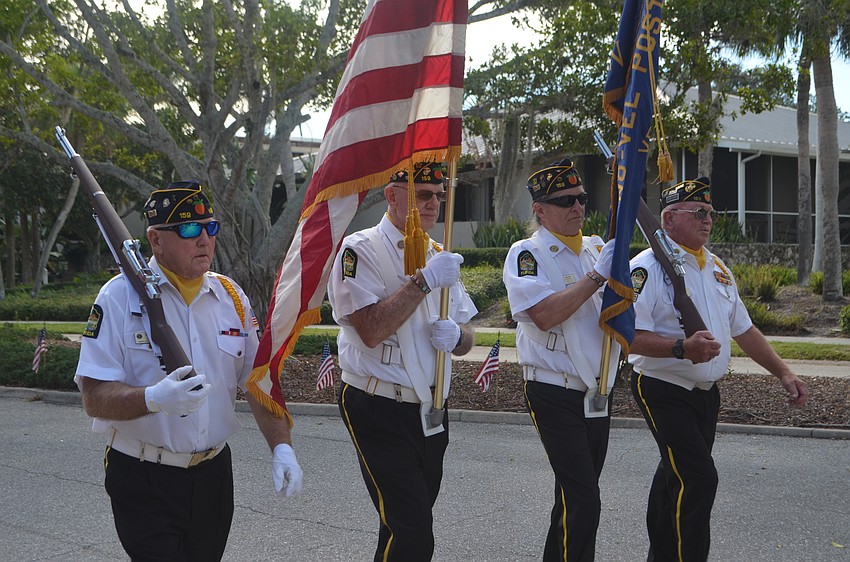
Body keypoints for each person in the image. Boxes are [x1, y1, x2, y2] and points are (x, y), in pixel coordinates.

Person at [75, 180, 303, 561]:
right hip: (144, 474)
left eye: (210, 227)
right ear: (155, 239)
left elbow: (257, 381)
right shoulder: (117, 298)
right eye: (188, 229)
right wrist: (153, 399)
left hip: (213, 475)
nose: (204, 239)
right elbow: (94, 398)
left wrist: (282, 447)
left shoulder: (231, 297)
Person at [628, 176, 809, 562]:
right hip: (661, 387)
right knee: (698, 479)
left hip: (705, 396)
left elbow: (743, 328)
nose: (708, 219)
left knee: (674, 476)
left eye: (711, 212)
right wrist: (680, 348)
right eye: (699, 212)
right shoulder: (645, 267)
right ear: (669, 219)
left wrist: (783, 372)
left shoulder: (717, 267)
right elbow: (626, 335)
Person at [327, 162, 478, 561]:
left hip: (430, 409)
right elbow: (370, 329)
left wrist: (457, 336)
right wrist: (423, 282)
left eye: (438, 196)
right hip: (378, 405)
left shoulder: (438, 252)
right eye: (423, 194)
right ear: (392, 195)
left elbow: (467, 338)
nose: (433, 204)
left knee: (402, 525)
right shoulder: (361, 250)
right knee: (412, 532)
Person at [502, 157, 617, 562]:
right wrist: (597, 278)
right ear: (540, 210)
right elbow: (545, 314)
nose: (578, 207)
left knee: (573, 499)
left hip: (597, 390)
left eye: (582, 198)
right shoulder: (527, 253)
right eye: (566, 200)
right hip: (554, 389)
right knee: (584, 499)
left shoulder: (597, 250)